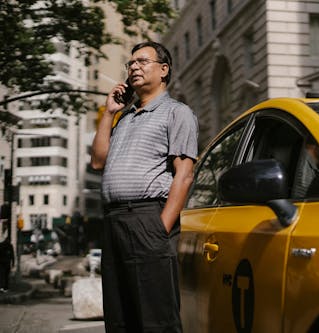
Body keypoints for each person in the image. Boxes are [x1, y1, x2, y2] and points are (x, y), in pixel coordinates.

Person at [91, 41, 198, 333]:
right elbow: (98, 161)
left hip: (148, 219)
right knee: (119, 318)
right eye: (131, 63)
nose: (134, 67)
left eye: (142, 61)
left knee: (156, 320)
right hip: (114, 222)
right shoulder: (124, 118)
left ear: (163, 70)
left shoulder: (178, 113)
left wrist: (160, 230)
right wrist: (109, 112)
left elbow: (184, 175)